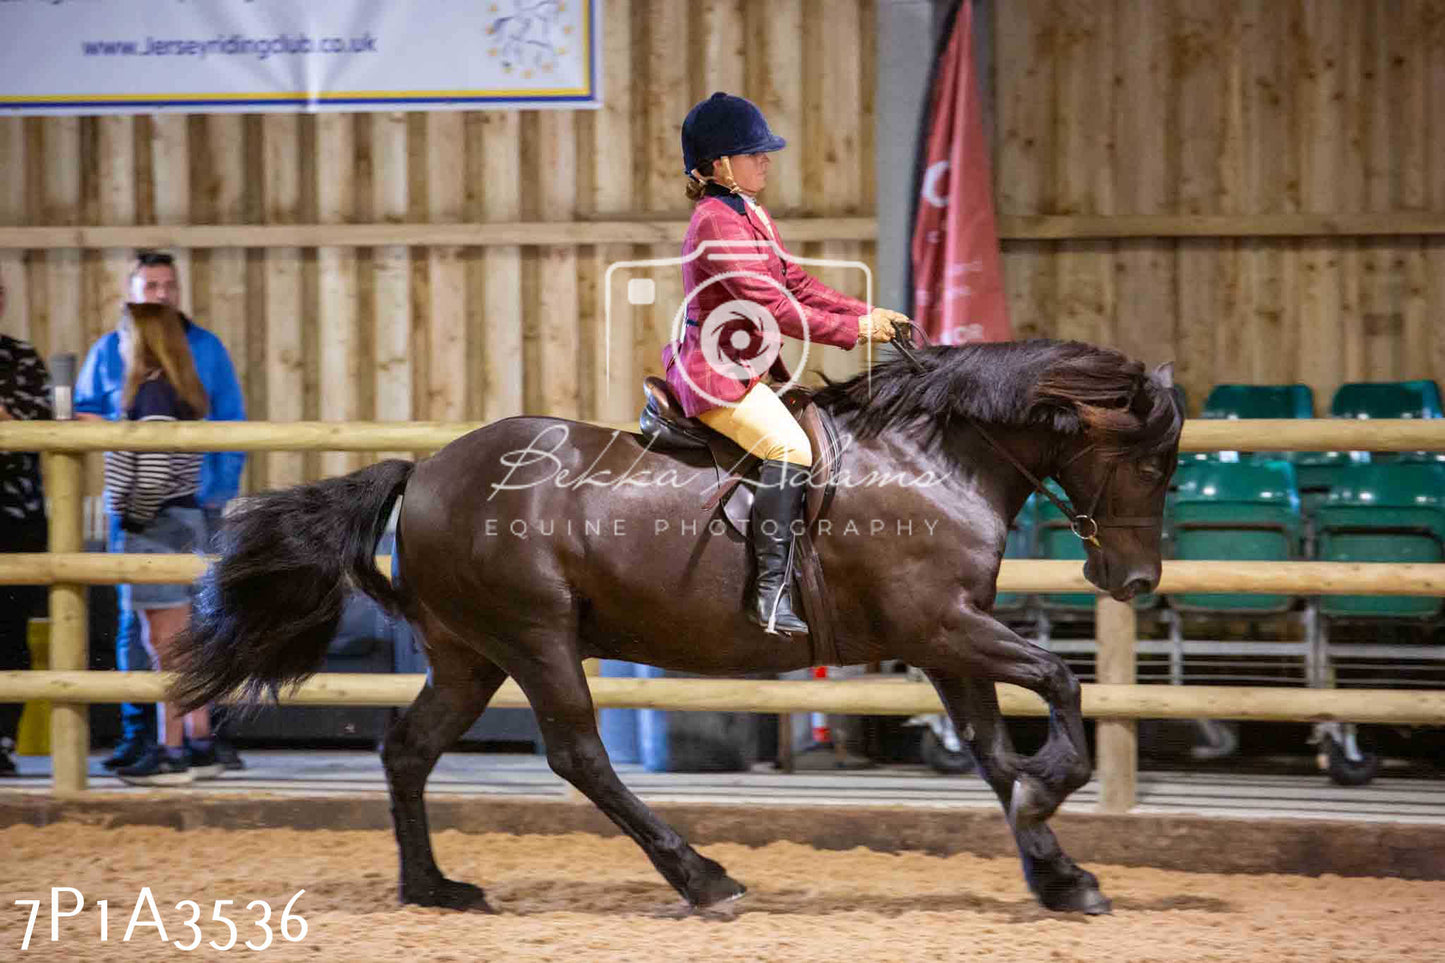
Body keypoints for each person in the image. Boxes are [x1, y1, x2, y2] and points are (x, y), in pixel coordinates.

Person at [664, 92, 907, 635]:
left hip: (745, 365)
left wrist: (868, 312)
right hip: (716, 372)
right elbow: (769, 307)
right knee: (790, 448)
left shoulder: (750, 213)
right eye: (755, 153)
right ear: (719, 165)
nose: (766, 160)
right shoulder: (714, 223)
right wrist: (855, 332)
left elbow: (794, 283)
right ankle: (770, 594)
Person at [75, 251, 247, 772]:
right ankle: (156, 731)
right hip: (170, 505)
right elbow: (92, 408)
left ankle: (177, 741)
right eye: (151, 284)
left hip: (164, 510)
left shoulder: (199, 351)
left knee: (173, 630)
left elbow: (229, 423)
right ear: (133, 288)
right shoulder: (110, 352)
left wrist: (211, 492)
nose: (161, 293)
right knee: (160, 625)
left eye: (168, 284)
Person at [104, 302, 218, 785]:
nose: (121, 341)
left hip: (157, 526)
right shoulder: (176, 391)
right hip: (184, 517)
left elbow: (151, 470)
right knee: (185, 643)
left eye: (126, 333)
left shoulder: (150, 392)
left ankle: (171, 753)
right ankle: (200, 742)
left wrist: (134, 514)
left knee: (164, 645)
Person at [0, 281, 51, 778]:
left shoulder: (19, 358)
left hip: (15, 519)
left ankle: (3, 740)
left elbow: (38, 424)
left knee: (10, 632)